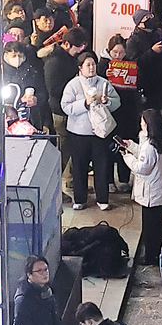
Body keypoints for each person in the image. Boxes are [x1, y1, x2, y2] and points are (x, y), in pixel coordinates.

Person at [61, 53, 121, 213]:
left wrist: (106, 101)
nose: (91, 67)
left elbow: (117, 102)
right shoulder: (73, 85)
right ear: (80, 68)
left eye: (93, 64)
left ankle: (102, 198)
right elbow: (65, 106)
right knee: (79, 166)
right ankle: (80, 199)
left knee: (101, 166)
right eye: (88, 65)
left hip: (99, 133)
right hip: (78, 133)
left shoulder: (104, 83)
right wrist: (84, 103)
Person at [120, 107, 162, 266]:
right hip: (159, 189)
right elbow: (144, 152)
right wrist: (130, 145)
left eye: (143, 121)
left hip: (151, 192)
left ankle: (151, 256)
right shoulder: (161, 139)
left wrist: (127, 157)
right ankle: (157, 252)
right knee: (157, 224)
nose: (141, 123)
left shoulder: (151, 145)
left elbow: (142, 167)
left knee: (151, 227)